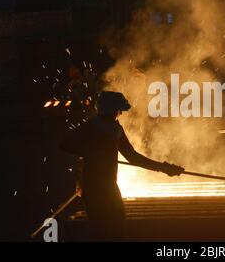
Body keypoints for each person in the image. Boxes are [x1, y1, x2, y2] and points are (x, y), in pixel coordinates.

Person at [61, 91, 184, 241]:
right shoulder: (91, 127)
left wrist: (165, 168)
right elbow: (64, 144)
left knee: (116, 229)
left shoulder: (115, 130)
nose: (120, 114)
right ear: (113, 110)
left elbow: (133, 157)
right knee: (105, 231)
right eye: (119, 111)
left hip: (109, 186)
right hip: (94, 188)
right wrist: (92, 152)